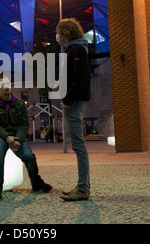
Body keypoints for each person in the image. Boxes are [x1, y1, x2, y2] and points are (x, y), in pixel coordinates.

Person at [0, 75, 52, 200]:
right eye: (3, 84)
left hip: (18, 136)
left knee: (29, 156)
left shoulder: (20, 104)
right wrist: (7, 137)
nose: (7, 86)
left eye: (8, 83)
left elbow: (24, 124)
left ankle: (36, 183)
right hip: (2, 136)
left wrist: (19, 139)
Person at [56, 18, 91, 201]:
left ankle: (83, 189)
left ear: (66, 33)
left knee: (78, 146)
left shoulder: (76, 50)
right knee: (78, 145)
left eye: (58, 33)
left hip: (74, 102)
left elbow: (80, 79)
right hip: (74, 101)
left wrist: (67, 99)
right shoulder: (73, 50)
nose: (57, 36)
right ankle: (83, 187)